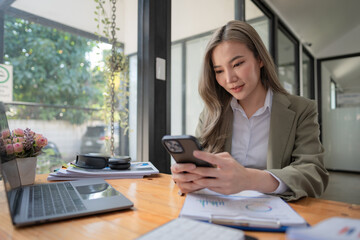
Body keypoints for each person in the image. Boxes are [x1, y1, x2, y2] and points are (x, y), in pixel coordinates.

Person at [171, 20, 329, 201]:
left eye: (237, 64)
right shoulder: (211, 113)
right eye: (219, 71)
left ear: (260, 59)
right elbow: (200, 167)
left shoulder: (302, 110)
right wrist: (187, 177)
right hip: (219, 209)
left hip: (277, 212)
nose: (229, 79)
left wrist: (250, 179)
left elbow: (313, 174)